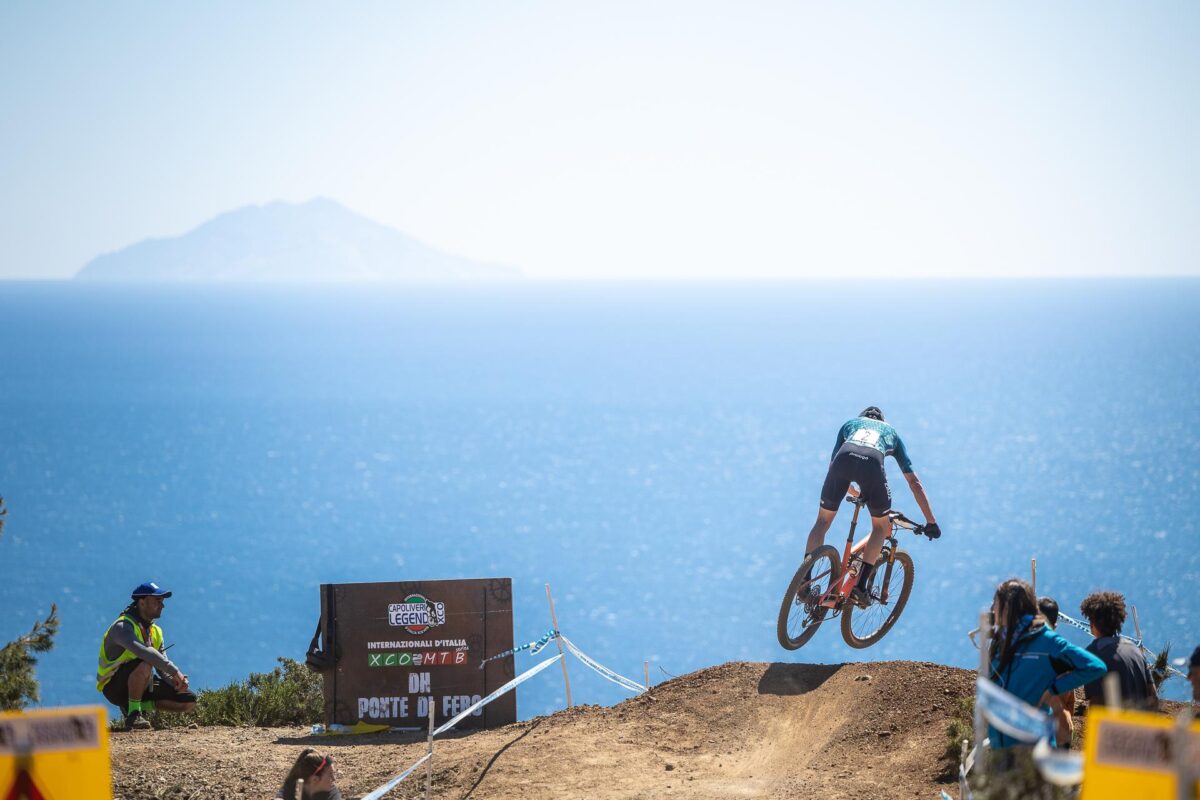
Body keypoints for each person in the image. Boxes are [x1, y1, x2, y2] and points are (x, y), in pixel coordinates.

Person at [805, 407, 940, 607]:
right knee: (881, 527)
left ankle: (804, 582)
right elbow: (914, 483)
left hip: (842, 461)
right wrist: (931, 521)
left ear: (862, 418)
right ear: (882, 421)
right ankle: (860, 587)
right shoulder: (890, 432)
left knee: (823, 521)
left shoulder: (850, 424)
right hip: (872, 464)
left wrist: (855, 493)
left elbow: (832, 466)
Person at [987, 579, 1105, 750]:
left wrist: (1052, 690)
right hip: (1004, 746)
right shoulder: (1002, 643)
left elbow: (1094, 666)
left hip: (1036, 745)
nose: (992, 609)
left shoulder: (1046, 639)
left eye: (995, 603)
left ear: (1009, 607)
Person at [96, 581, 197, 730]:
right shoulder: (122, 627)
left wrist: (176, 682)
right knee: (145, 662)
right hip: (114, 687)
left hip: (142, 683)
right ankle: (134, 715)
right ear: (142, 602)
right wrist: (175, 672)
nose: (162, 605)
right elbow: (144, 652)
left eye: (162, 601)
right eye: (157, 601)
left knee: (189, 700)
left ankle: (138, 707)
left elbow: (162, 667)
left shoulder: (156, 631)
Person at [1078, 591, 1159, 710]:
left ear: (1092, 624)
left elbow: (1097, 702)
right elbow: (1153, 696)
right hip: (1141, 724)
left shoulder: (1094, 652)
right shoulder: (1135, 650)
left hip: (1115, 726)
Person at [1037, 596, 1077, 748]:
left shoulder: (1024, 651)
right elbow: (1070, 701)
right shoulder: (1064, 654)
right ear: (1055, 624)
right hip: (1061, 730)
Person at [278, 749, 342, 800]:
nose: (334, 779)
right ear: (314, 779)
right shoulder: (291, 788)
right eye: (330, 774)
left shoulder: (331, 791)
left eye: (334, 773)